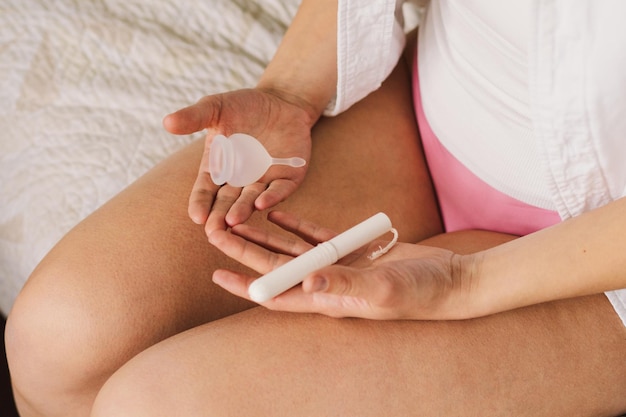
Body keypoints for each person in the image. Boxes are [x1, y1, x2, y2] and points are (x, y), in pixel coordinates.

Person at [5, 0, 626, 416]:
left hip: (605, 271)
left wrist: (462, 283)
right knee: (58, 337)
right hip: (432, 114)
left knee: (158, 404)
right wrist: (290, 91)